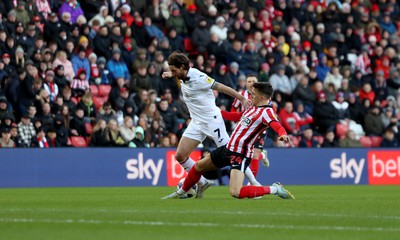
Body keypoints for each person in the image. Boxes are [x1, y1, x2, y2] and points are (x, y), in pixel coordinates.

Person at [162, 82, 294, 200]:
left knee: (236, 192)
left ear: (262, 98)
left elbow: (276, 124)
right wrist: (220, 113)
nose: (250, 96)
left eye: (253, 94)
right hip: (228, 148)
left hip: (240, 155)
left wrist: (282, 134)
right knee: (197, 167)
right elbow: (236, 116)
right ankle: (180, 193)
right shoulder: (252, 107)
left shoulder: (267, 112)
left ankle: (275, 189)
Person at [162, 51, 257, 199]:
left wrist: (242, 99)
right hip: (196, 122)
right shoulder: (181, 75)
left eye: (174, 70)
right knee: (180, 155)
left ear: (182, 67)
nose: (173, 73)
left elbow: (222, 87)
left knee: (233, 153)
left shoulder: (199, 77)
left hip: (212, 121)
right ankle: (202, 182)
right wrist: (171, 74)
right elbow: (177, 74)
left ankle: (254, 182)